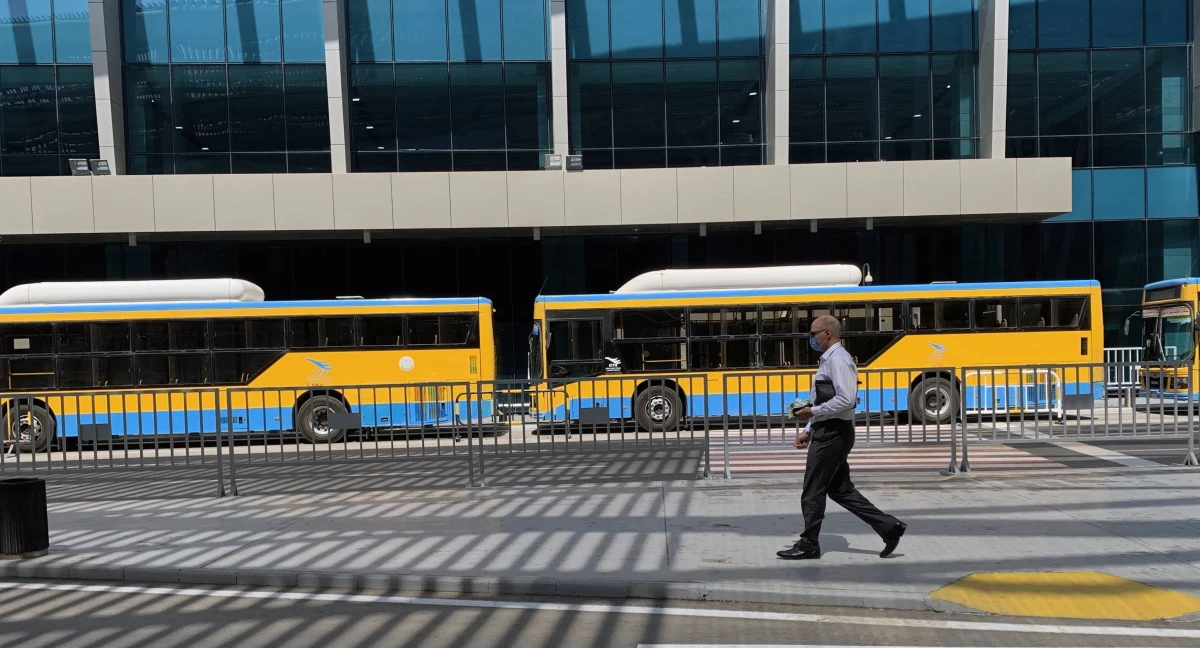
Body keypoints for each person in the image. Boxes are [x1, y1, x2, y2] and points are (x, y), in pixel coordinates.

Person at [776, 314, 907, 560]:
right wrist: (809, 429)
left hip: (834, 433)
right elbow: (825, 399)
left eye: (814, 333)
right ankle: (889, 527)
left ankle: (809, 544)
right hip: (829, 430)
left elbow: (846, 400)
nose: (811, 338)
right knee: (840, 490)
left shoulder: (839, 360)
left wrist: (811, 412)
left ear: (827, 334)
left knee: (813, 489)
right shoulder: (829, 360)